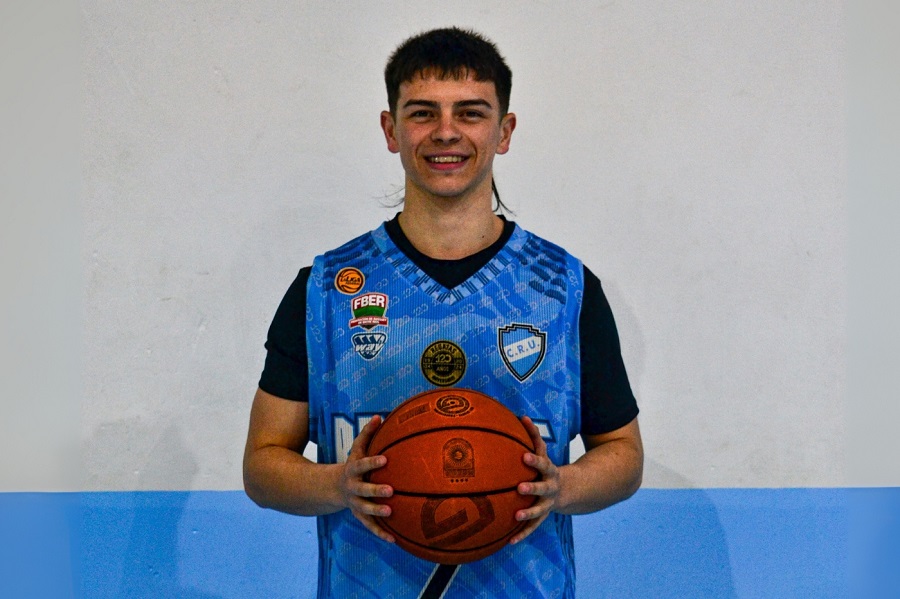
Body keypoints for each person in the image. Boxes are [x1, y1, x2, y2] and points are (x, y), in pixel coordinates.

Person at [243, 27, 643, 598]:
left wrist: (564, 486)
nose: (446, 132)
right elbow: (262, 465)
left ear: (504, 131)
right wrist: (337, 486)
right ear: (391, 130)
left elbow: (623, 454)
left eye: (471, 113)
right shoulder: (327, 290)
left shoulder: (565, 288)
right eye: (423, 113)